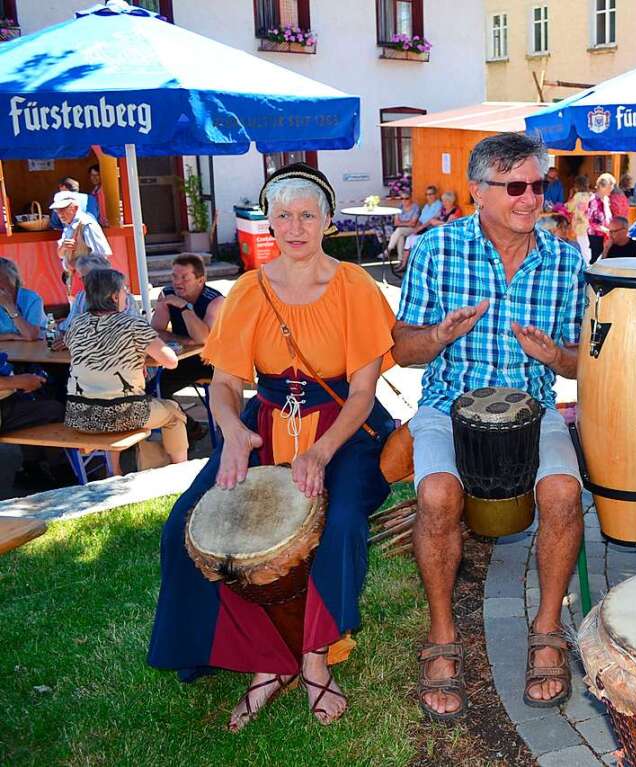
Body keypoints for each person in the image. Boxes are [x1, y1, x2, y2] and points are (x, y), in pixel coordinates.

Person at [148, 162, 397, 731]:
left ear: (328, 221)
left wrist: (320, 452)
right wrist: (234, 431)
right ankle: (265, 661)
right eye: (283, 215)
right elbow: (227, 384)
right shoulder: (249, 290)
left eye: (307, 214)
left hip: (344, 428)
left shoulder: (355, 286)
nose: (295, 226)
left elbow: (362, 392)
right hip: (265, 422)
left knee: (340, 524)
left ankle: (313, 658)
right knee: (188, 524)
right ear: (269, 223)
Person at [393, 132, 584, 722]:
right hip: (448, 404)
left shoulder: (567, 258)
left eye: (538, 184)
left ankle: (547, 627)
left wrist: (556, 357)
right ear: (478, 191)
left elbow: (585, 361)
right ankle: (443, 636)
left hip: (533, 407)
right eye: (515, 186)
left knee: (563, 492)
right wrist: (440, 336)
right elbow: (403, 351)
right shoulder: (436, 250)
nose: (531, 198)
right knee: (436, 493)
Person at [64, 268, 188, 465]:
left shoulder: (77, 324)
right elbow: (170, 361)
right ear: (114, 296)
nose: (126, 295)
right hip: (125, 414)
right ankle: (181, 471)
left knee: (121, 406)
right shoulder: (132, 324)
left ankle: (117, 470)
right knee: (173, 412)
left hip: (79, 416)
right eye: (124, 290)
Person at [150, 254, 225, 400]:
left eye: (184, 277)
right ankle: (187, 423)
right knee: (154, 392)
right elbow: (154, 331)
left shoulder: (215, 300)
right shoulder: (167, 294)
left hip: (214, 362)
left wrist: (184, 307)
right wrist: (184, 340)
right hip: (185, 358)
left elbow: (203, 338)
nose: (177, 282)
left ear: (201, 280)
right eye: (174, 276)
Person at [50, 190, 112, 283]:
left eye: (63, 209)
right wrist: (63, 247)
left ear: (75, 208)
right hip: (79, 280)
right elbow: (61, 254)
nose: (59, 214)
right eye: (57, 210)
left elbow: (101, 256)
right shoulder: (68, 225)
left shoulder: (87, 225)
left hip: (93, 280)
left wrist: (77, 264)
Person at [401, 191, 462, 271]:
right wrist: (420, 228)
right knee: (411, 238)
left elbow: (448, 225)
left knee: (417, 241)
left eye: (444, 201)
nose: (443, 203)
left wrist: (436, 222)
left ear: (449, 201)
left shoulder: (455, 211)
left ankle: (410, 266)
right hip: (435, 232)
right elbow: (431, 220)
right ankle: (404, 264)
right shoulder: (443, 210)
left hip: (445, 236)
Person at [0, 258, 45, 341]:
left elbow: (31, 335)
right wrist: (11, 336)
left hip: (35, 350)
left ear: (11, 278)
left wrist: (9, 306)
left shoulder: (32, 299)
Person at [586, 173, 616, 264]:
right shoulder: (594, 200)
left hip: (605, 235)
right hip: (596, 236)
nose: (612, 188)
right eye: (611, 186)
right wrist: (606, 230)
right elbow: (591, 222)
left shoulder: (606, 199)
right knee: (594, 261)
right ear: (603, 186)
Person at [385, 192, 421, 261]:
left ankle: (388, 249)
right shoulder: (400, 207)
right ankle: (400, 260)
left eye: (406, 198)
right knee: (400, 236)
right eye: (402, 198)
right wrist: (407, 222)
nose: (404, 200)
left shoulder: (415, 208)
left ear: (410, 199)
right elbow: (396, 223)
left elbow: (413, 224)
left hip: (413, 229)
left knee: (399, 230)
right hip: (402, 230)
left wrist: (401, 223)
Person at [565, 175, 593, 255]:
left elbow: (569, 208)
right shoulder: (590, 195)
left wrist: (570, 195)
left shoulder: (578, 196)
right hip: (588, 224)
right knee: (587, 246)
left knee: (582, 246)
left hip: (579, 225)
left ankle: (586, 264)